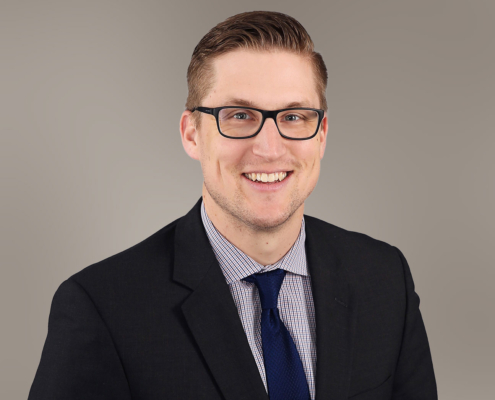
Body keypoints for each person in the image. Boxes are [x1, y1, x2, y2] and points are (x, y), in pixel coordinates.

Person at [28, 11, 437, 400]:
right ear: (192, 134)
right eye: (239, 115)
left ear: (322, 134)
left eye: (294, 117)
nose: (269, 148)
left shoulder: (385, 280)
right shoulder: (102, 308)